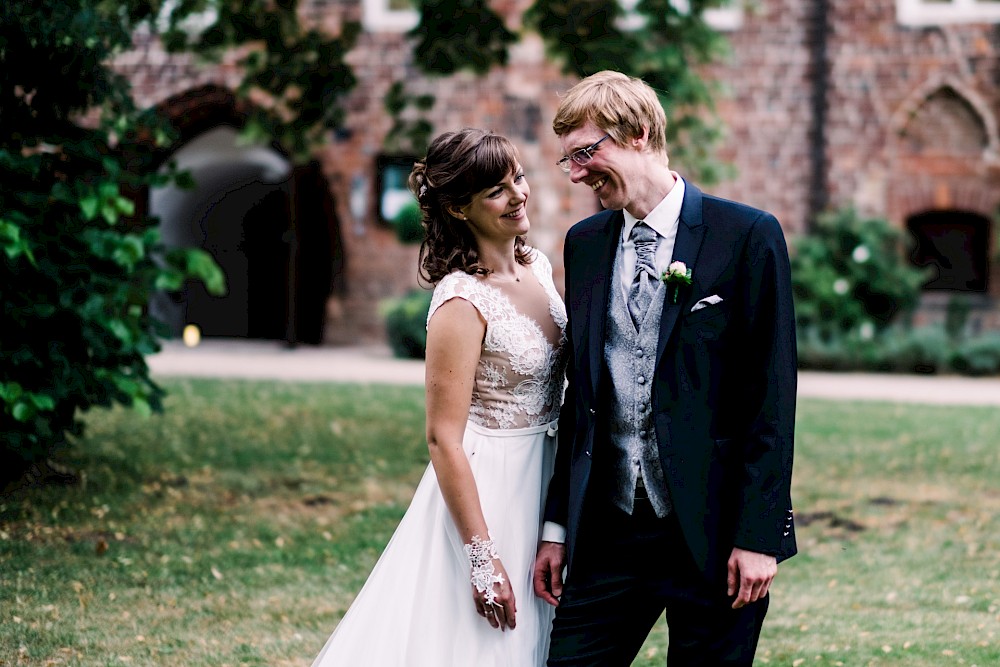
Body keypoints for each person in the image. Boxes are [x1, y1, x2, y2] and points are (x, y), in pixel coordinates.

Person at [532, 70, 798, 666]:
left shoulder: (748, 236)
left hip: (714, 533)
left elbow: (772, 399)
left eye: (585, 153)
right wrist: (556, 527)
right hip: (609, 529)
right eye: (567, 160)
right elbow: (583, 395)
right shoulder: (585, 243)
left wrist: (758, 539)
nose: (575, 173)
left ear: (639, 133)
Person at [311, 128, 567, 667]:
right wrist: (481, 559)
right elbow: (442, 437)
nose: (518, 194)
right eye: (495, 190)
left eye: (516, 178)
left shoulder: (540, 269)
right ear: (458, 209)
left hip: (545, 475)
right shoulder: (460, 299)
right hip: (488, 485)